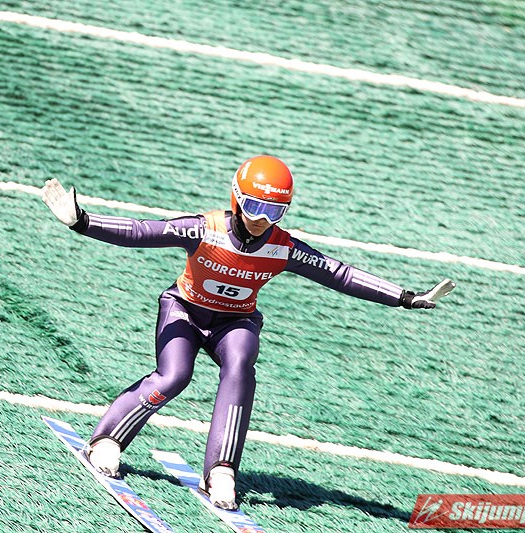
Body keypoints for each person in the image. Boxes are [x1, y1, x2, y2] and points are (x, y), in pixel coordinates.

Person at [42, 155, 455, 510]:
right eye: (255, 207)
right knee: (174, 375)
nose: (261, 220)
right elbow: (143, 231)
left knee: (240, 367)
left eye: (274, 212)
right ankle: (107, 440)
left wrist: (405, 297)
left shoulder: (283, 247)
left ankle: (221, 469)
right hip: (184, 309)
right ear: (236, 199)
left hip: (235, 321)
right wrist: (82, 222)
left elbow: (339, 273)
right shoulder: (205, 229)